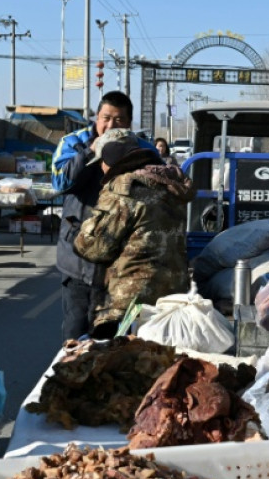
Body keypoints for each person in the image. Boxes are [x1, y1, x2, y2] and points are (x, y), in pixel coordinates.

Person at [51, 91, 155, 342]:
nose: (110, 126)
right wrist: (91, 153)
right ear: (96, 118)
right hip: (77, 259)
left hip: (121, 266)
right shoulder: (73, 142)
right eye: (105, 118)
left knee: (111, 340)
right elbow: (61, 183)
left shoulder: (144, 151)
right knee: (74, 336)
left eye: (118, 120)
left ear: (129, 123)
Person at [73, 128, 195, 338]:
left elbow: (94, 248)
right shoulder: (168, 184)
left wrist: (81, 230)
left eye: (101, 162)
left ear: (110, 160)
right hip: (172, 296)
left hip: (129, 303)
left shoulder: (123, 188)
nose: (101, 168)